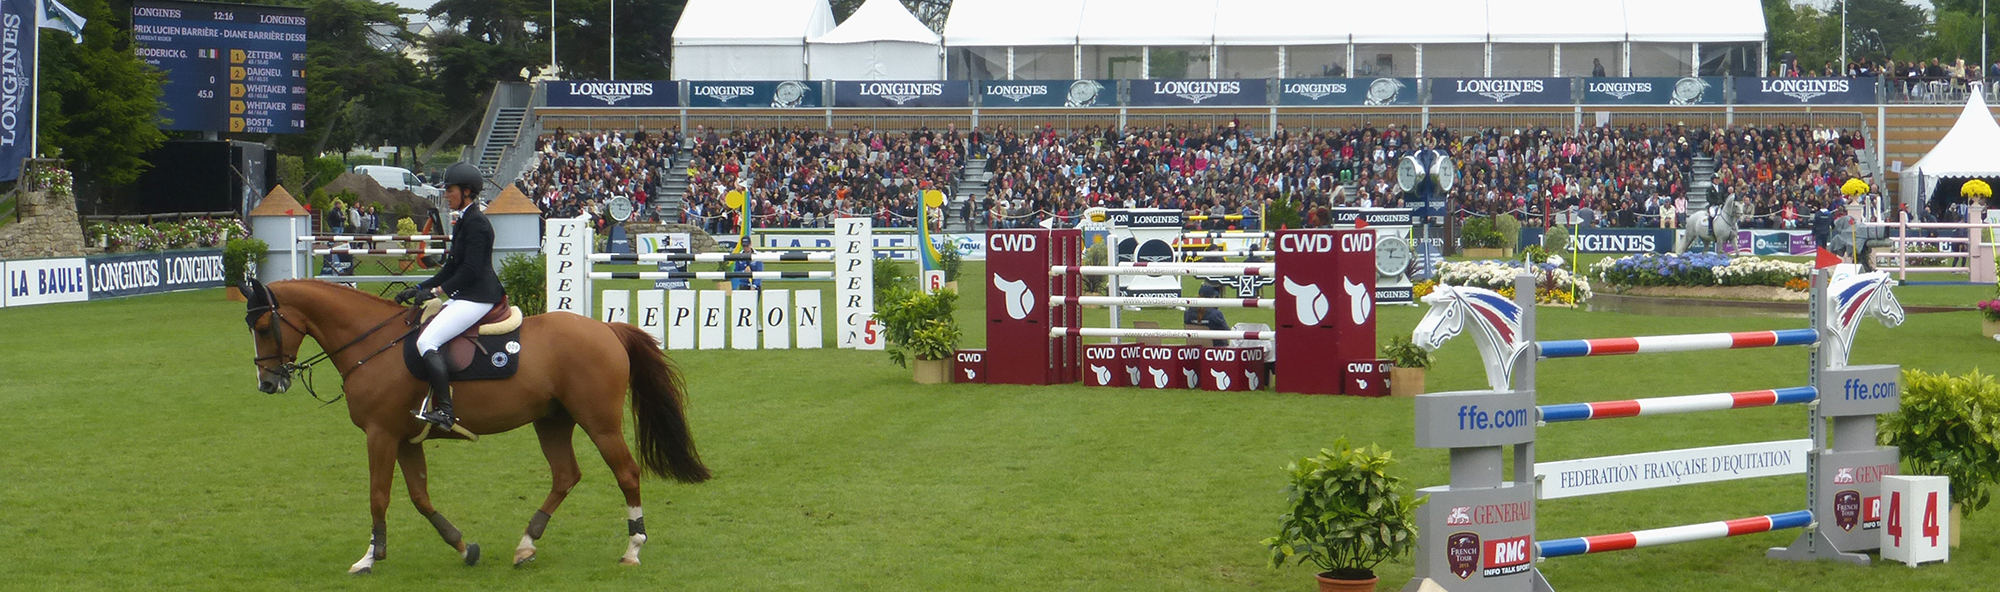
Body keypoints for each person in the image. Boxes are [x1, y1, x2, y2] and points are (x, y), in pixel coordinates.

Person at [396, 162, 505, 431]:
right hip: (467, 294)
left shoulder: (477, 223)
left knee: (427, 342)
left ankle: (445, 411)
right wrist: (420, 287)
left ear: (467, 192)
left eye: (450, 190)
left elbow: (469, 270)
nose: (446, 195)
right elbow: (451, 267)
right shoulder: (465, 220)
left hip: (478, 296)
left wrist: (435, 292)